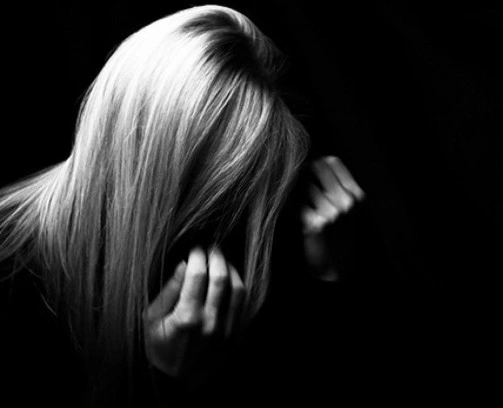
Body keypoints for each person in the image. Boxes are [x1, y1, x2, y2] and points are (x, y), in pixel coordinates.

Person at [0, 4, 365, 407]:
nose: (227, 248)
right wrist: (165, 385)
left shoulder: (261, 254)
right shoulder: (11, 273)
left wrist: (330, 283)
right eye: (216, 209)